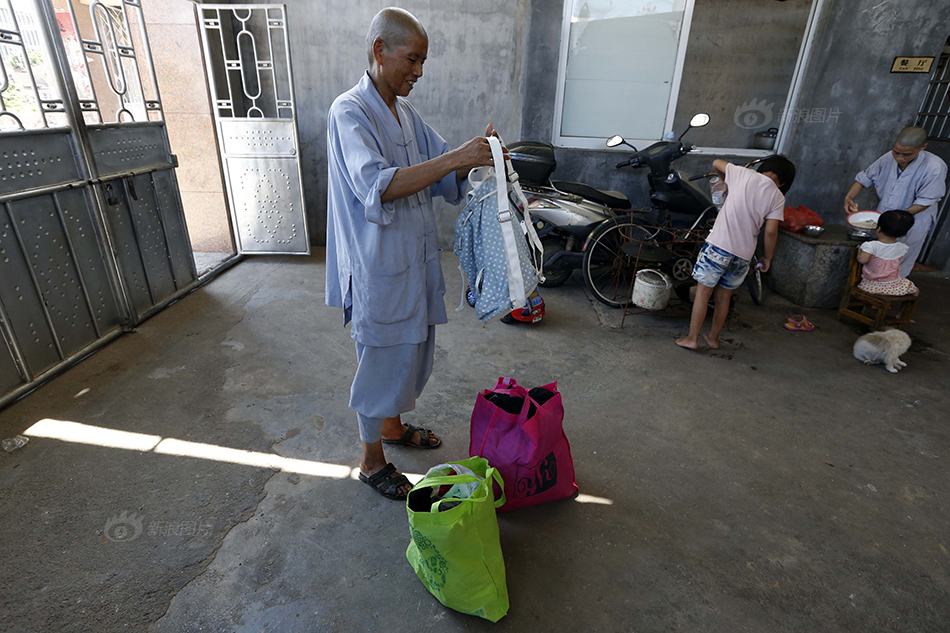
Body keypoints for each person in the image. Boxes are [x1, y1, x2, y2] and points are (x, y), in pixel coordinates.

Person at [325, 8, 498, 500]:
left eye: (423, 61)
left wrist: (479, 156)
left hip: (413, 259)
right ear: (379, 50)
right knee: (381, 359)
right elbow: (378, 185)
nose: (418, 71)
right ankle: (371, 459)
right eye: (412, 59)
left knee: (409, 351)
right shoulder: (349, 111)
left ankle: (394, 429)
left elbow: (444, 174)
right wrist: (456, 157)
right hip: (376, 264)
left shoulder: (406, 113)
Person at [676, 156, 796, 350]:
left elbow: (715, 162)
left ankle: (692, 338)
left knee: (703, 293)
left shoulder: (742, 173)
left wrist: (725, 180)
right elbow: (771, 231)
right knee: (724, 297)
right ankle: (713, 338)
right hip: (743, 254)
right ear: (783, 182)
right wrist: (767, 258)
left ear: (763, 168)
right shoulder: (778, 197)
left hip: (718, 246)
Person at [844, 126, 947, 278]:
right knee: (876, 257)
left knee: (901, 260)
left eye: (907, 154)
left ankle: (889, 291)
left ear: (923, 147)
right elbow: (865, 178)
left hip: (913, 221)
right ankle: (869, 289)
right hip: (886, 216)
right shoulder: (888, 158)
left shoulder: (935, 167)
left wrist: (899, 218)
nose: (900, 158)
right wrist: (849, 197)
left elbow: (927, 200)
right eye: (896, 152)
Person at [856, 210, 919, 297]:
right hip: (893, 286)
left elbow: (862, 260)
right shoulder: (902, 247)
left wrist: (860, 251)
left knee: (877, 289)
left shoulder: (870, 246)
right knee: (914, 289)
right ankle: (908, 307)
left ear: (879, 229)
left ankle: (876, 303)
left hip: (871, 286)